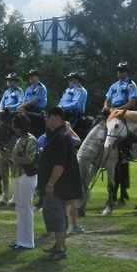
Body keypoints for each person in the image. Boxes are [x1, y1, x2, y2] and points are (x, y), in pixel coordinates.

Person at [39, 107, 84, 261]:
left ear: (56, 118)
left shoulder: (60, 137)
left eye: (48, 116)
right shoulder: (58, 136)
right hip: (59, 184)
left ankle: (60, 248)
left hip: (59, 185)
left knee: (56, 214)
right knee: (57, 214)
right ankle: (58, 245)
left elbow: (59, 164)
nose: (45, 119)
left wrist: (51, 183)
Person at [6, 114, 38, 250]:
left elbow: (29, 159)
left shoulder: (31, 140)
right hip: (17, 175)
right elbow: (16, 159)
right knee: (20, 208)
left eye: (16, 126)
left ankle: (27, 241)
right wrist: (8, 157)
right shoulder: (20, 140)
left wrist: (12, 156)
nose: (14, 129)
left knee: (26, 208)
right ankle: (21, 239)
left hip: (27, 175)